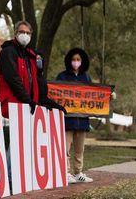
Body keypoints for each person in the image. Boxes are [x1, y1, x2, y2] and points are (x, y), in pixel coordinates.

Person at [56, 48, 93, 184]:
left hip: (82, 120)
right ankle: (65, 172)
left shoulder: (86, 77)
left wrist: (108, 97)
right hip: (67, 120)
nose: (76, 62)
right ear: (69, 61)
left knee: (79, 149)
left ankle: (78, 173)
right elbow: (56, 94)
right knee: (65, 148)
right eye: (73, 59)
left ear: (82, 61)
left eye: (78, 60)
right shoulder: (62, 77)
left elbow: (93, 96)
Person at [0, 20, 39, 118]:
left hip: (28, 108)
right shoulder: (8, 52)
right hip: (12, 107)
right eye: (22, 32)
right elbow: (13, 79)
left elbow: (35, 81)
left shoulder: (30, 56)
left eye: (28, 33)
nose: (25, 35)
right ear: (15, 33)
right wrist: (27, 100)